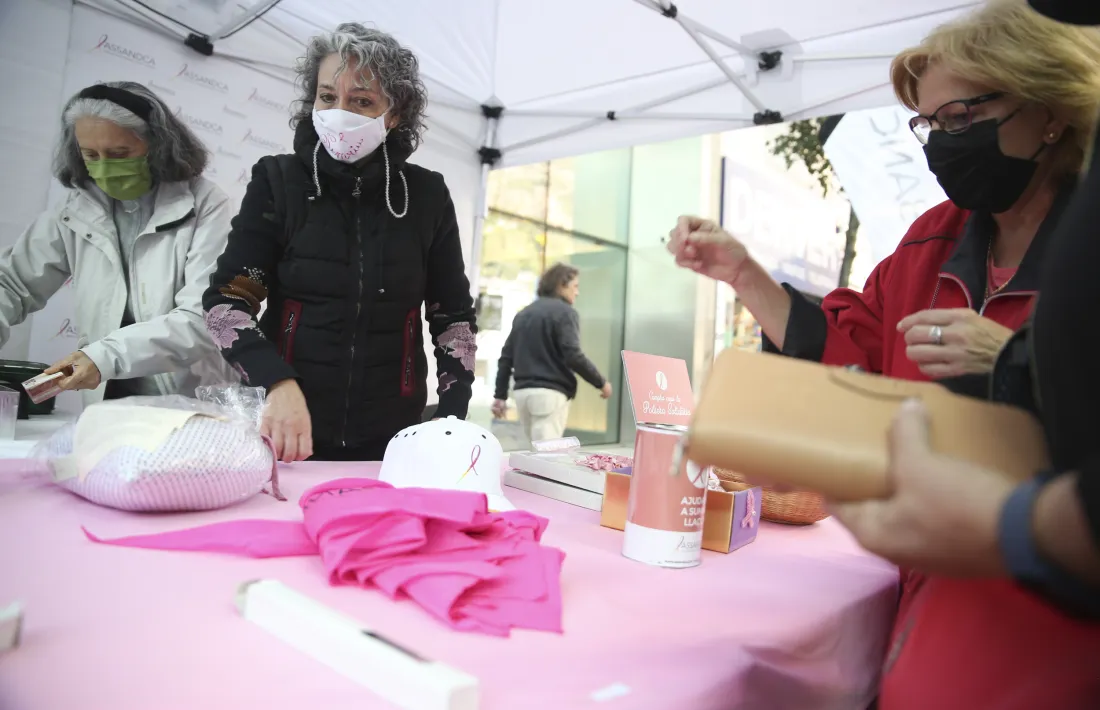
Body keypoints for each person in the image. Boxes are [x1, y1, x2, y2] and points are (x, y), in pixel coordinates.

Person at [831, 3, 1100, 707]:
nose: (939, 146)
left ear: (1049, 110)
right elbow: (853, 342)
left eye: (958, 120)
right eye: (927, 126)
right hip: (930, 604)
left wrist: (1013, 360)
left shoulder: (1083, 242)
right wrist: (749, 279)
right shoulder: (934, 236)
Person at [204, 24, 476, 463]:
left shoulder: (426, 196)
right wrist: (275, 381)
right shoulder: (279, 181)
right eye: (328, 97)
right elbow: (227, 303)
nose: (339, 112)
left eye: (362, 101)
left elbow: (454, 319)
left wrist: (451, 418)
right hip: (287, 432)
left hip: (394, 440)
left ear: (395, 114)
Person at [0, 81, 233, 403]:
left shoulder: (207, 205)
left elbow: (205, 317)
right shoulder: (75, 210)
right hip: (106, 401)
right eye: (90, 155)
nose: (104, 167)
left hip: (188, 400)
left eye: (119, 154)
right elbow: (12, 284)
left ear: (156, 144)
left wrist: (103, 357)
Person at [492, 263, 611, 443]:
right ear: (561, 285)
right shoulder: (565, 313)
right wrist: (600, 382)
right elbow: (573, 355)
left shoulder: (524, 314)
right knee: (547, 457)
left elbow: (506, 358)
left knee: (531, 455)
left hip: (523, 395)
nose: (577, 292)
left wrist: (500, 395)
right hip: (549, 396)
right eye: (575, 286)